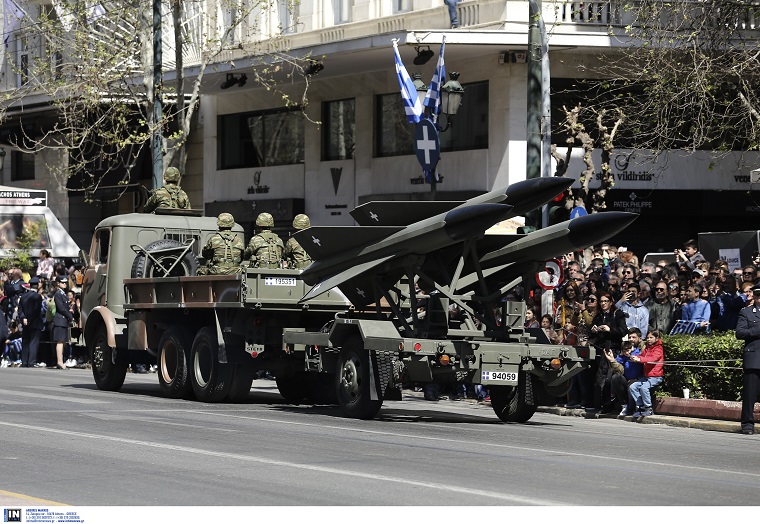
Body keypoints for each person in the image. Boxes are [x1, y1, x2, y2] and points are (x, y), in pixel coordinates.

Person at [735, 285, 760, 435]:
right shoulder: (747, 312)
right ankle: (747, 424)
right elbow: (740, 333)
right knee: (750, 395)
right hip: (754, 359)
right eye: (757, 295)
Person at [629, 329, 665, 417]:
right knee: (633, 387)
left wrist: (639, 359)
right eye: (647, 338)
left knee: (644, 388)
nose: (648, 340)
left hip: (656, 377)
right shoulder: (647, 348)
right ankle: (640, 406)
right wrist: (634, 357)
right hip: (647, 376)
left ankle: (649, 408)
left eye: (651, 337)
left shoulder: (658, 349)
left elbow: (652, 359)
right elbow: (642, 356)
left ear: (657, 338)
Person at [612, 330, 644, 416]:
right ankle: (624, 405)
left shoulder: (638, 352)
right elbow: (618, 363)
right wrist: (613, 359)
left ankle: (632, 407)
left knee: (632, 388)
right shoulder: (623, 356)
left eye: (633, 337)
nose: (631, 339)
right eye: (629, 337)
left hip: (637, 378)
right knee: (615, 378)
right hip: (626, 378)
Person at [18, 276, 44, 368]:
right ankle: (31, 361)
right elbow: (36, 310)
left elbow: (20, 309)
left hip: (25, 322)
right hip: (34, 322)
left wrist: (23, 318)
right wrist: (29, 319)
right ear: (37, 285)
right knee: (33, 342)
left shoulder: (23, 296)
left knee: (25, 342)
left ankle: (24, 361)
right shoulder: (37, 297)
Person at [50, 275, 74, 369]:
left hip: (63, 320)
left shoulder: (63, 293)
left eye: (65, 282)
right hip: (60, 319)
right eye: (62, 282)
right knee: (60, 341)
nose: (64, 284)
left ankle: (61, 361)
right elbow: (61, 308)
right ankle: (59, 362)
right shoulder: (58, 294)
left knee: (62, 341)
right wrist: (70, 316)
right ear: (58, 283)